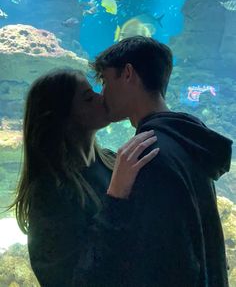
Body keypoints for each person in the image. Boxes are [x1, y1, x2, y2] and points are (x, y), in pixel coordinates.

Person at [73, 36, 232, 287]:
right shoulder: (188, 140)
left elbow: (154, 262)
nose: (102, 95)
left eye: (105, 80)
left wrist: (116, 198)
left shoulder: (145, 156)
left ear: (127, 74)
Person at [9, 68, 159, 287]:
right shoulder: (48, 193)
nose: (102, 98)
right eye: (89, 98)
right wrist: (116, 196)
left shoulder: (112, 160)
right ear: (62, 119)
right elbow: (68, 279)